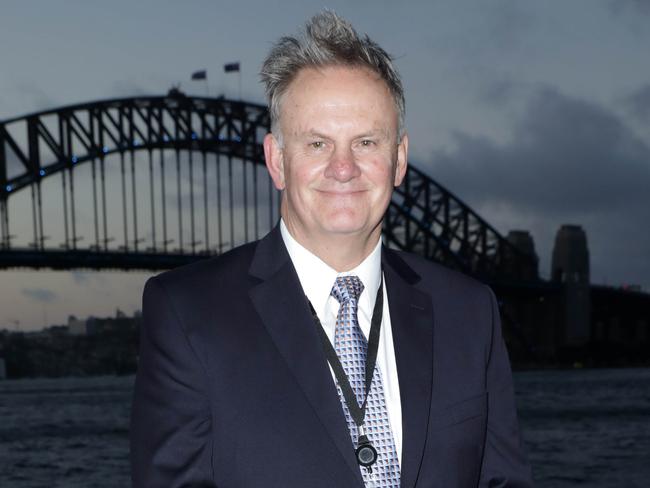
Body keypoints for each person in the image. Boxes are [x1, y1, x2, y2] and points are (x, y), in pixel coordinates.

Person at [130, 11, 533, 488]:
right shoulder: (188, 312)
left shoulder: (468, 311)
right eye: (317, 144)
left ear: (399, 160)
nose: (344, 168)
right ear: (277, 161)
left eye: (365, 142)